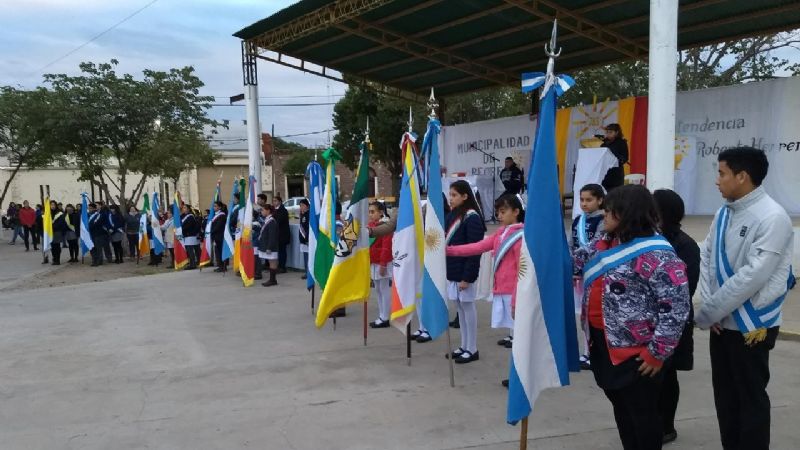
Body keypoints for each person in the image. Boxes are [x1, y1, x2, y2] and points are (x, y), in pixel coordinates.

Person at [573, 185, 690, 450]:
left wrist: (657, 353)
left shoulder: (658, 254)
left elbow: (676, 307)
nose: (604, 217)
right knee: (622, 410)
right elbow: (574, 263)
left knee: (642, 416)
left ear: (625, 214)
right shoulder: (605, 243)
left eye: (608, 213)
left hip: (638, 355)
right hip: (604, 345)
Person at [695, 147, 794, 450]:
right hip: (720, 323)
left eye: (722, 173)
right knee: (725, 397)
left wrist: (709, 311)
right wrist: (712, 311)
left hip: (752, 325)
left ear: (742, 176)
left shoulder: (773, 217)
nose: (717, 181)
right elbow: (708, 257)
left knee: (749, 398)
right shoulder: (725, 212)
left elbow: (754, 275)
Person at [447, 194, 523, 372]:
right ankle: (516, 375)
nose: (499, 215)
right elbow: (477, 247)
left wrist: (516, 299)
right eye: (498, 212)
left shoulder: (521, 236)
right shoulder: (500, 233)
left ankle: (519, 376)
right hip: (501, 291)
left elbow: (522, 271)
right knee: (515, 336)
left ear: (516, 212)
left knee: (520, 338)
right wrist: (449, 250)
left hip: (513, 293)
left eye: (504, 212)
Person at [652, 188, 700, 445]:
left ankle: (666, 425)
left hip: (672, 322)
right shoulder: (644, 240)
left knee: (667, 376)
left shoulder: (685, 245)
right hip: (647, 323)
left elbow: (685, 289)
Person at [442, 180, 486, 361]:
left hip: (465, 272)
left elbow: (474, 251)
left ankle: (472, 348)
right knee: (459, 309)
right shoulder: (452, 215)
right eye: (450, 195)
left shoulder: (472, 217)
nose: (450, 199)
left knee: (468, 307)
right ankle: (463, 345)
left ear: (465, 196)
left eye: (454, 195)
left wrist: (467, 277)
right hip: (453, 269)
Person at [571, 183, 606, 370]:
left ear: (600, 200)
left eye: (589, 200)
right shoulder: (578, 220)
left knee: (592, 314)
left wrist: (580, 264)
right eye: (582, 200)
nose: (584, 203)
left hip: (594, 271)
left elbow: (596, 245)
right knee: (582, 314)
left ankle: (593, 353)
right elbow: (572, 244)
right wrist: (573, 268)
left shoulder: (603, 220)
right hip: (579, 274)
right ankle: (586, 352)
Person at [368, 201, 393, 328]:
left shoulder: (385, 226)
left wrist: (383, 264)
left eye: (373, 212)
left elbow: (386, 246)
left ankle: (385, 317)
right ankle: (381, 315)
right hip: (373, 262)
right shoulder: (371, 225)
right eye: (369, 212)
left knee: (384, 289)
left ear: (381, 212)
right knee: (377, 289)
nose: (370, 214)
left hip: (382, 262)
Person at [600, 123, 629, 192]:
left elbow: (625, 158)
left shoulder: (622, 143)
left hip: (616, 175)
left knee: (616, 195)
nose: (608, 134)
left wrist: (616, 159)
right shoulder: (603, 144)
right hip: (605, 175)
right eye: (607, 132)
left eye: (610, 132)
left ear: (616, 132)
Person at [258, 203, 279, 286]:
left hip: (271, 246)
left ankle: (273, 280)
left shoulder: (271, 221)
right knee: (271, 262)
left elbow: (272, 236)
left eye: (263, 210)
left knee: (272, 262)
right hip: (267, 245)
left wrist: (269, 247)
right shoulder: (267, 220)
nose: (261, 212)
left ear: (268, 211)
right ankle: (272, 279)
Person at [272, 195, 291, 273]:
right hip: (277, 234)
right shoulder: (275, 210)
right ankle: (278, 266)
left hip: (282, 234)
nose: (274, 202)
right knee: (279, 251)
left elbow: (278, 221)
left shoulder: (283, 210)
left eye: (275, 201)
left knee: (282, 251)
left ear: (280, 201)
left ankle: (282, 267)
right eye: (273, 201)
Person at [181, 204, 201, 270]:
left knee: (190, 250)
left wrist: (181, 229)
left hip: (190, 235)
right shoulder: (184, 216)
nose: (183, 209)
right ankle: (193, 263)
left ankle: (193, 265)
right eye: (183, 208)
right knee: (190, 250)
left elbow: (188, 226)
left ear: (188, 209)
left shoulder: (190, 216)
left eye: (185, 208)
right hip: (187, 235)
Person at [210, 201, 228, 272]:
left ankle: (223, 266)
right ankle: (220, 265)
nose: (214, 207)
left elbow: (218, 226)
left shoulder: (222, 215)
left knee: (220, 251)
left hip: (220, 236)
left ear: (220, 207)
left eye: (216, 206)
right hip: (216, 236)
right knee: (217, 252)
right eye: (214, 206)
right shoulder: (215, 215)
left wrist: (212, 231)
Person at [49, 201, 67, 265]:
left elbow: (61, 223)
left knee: (57, 246)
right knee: (52, 247)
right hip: (50, 232)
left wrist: (53, 226)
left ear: (56, 205)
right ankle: (54, 258)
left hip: (57, 231)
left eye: (54, 205)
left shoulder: (60, 213)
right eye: (51, 205)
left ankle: (57, 259)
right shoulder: (48, 213)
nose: (52, 206)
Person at [298, 198, 310, 280]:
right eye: (300, 205)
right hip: (303, 239)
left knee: (308, 257)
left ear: (307, 206)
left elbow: (309, 228)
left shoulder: (308, 214)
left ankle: (308, 273)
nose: (301, 207)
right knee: (305, 257)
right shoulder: (303, 214)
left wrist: (307, 239)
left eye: (302, 205)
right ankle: (306, 271)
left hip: (307, 239)